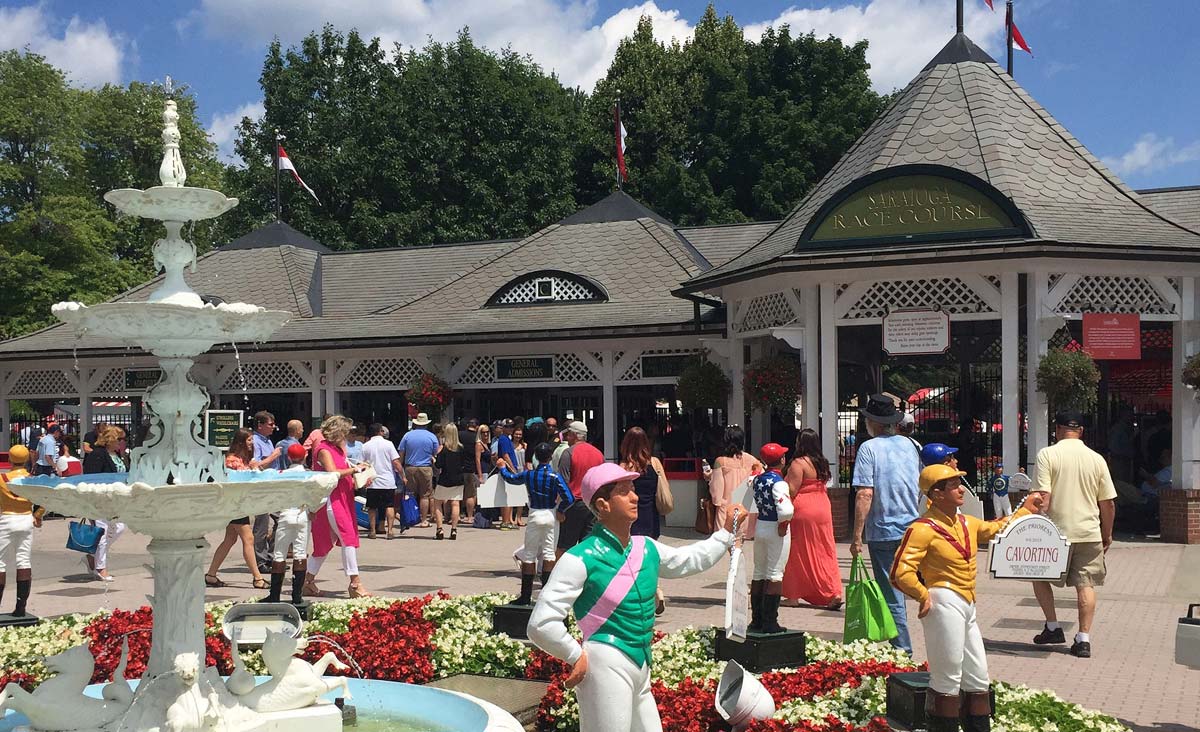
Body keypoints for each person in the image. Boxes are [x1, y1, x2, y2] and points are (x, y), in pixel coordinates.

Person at [528, 463, 743, 732]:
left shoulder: (646, 547)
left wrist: (725, 534)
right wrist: (575, 655)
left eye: (633, 489)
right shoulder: (579, 558)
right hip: (605, 661)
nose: (635, 497)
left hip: (641, 662)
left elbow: (689, 560)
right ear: (603, 505)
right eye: (623, 491)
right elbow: (541, 623)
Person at [891, 464, 1045, 732]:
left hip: (967, 604)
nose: (961, 488)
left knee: (977, 675)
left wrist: (1024, 510)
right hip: (943, 600)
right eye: (953, 485)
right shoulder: (922, 529)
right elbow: (900, 571)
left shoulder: (966, 523)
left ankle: (977, 726)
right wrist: (923, 595)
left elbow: (996, 528)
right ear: (937, 494)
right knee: (946, 675)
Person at [1030, 410, 1117, 659]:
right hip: (1089, 531)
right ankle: (1083, 639)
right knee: (1086, 584)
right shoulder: (1096, 459)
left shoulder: (1048, 455)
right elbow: (1108, 503)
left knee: (1038, 574)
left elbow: (1042, 499)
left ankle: (1053, 626)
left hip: (1055, 532)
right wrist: (1106, 533)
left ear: (1057, 429)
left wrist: (1029, 525)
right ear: (1081, 431)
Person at [850, 393, 922, 653]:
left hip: (883, 530)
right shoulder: (911, 445)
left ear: (873, 422)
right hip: (912, 527)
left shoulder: (869, 448)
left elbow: (865, 493)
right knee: (914, 585)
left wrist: (857, 536)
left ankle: (902, 650)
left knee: (892, 593)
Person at [500, 442, 574, 605]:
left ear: (536, 457)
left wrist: (502, 467)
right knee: (549, 553)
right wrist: (560, 510)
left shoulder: (529, 474)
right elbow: (569, 497)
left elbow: (511, 478)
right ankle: (547, 594)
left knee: (529, 554)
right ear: (550, 457)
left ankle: (525, 596)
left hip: (534, 513)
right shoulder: (555, 476)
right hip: (550, 514)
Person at [307, 415, 372, 598]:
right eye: (346, 431)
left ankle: (308, 581)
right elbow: (332, 473)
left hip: (343, 497)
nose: (348, 435)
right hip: (331, 500)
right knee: (348, 538)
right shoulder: (323, 449)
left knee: (326, 544)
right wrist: (355, 470)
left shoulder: (338, 449)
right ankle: (355, 583)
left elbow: (343, 472)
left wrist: (358, 478)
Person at [782, 428, 843, 611]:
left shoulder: (798, 463)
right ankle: (832, 591)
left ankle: (793, 595)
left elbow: (792, 489)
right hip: (822, 507)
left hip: (803, 509)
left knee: (798, 552)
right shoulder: (822, 463)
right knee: (825, 549)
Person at [205, 428, 267, 591]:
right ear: (240, 442)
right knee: (249, 539)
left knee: (230, 539)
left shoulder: (244, 460)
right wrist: (253, 469)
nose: (251, 443)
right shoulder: (232, 460)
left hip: (239, 504)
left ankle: (211, 575)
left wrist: (254, 468)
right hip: (234, 504)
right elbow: (236, 481)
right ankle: (257, 578)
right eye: (249, 440)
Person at [619, 426, 671, 615]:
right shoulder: (654, 463)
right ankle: (655, 591)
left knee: (631, 561)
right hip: (651, 517)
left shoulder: (624, 468)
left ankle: (645, 597)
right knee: (649, 558)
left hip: (631, 518)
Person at [750, 442, 794, 634]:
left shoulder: (757, 480)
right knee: (775, 574)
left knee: (759, 572)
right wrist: (784, 524)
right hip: (776, 529)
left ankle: (757, 619)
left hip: (761, 526)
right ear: (782, 460)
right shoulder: (779, 482)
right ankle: (770, 622)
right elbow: (786, 510)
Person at [82, 425, 128, 582]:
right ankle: (101, 568)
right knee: (102, 530)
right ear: (111, 440)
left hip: (116, 499)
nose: (123, 442)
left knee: (119, 527)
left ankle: (93, 557)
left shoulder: (116, 454)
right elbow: (90, 477)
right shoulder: (98, 454)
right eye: (120, 439)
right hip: (100, 498)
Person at [0, 445, 42, 616]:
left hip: (6, 518)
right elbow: (43, 498)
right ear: (26, 459)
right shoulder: (32, 479)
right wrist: (37, 515)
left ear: (9, 459)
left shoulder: (2, 478)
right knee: (23, 560)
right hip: (26, 518)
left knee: (0, 562)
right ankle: (21, 607)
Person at [267, 442, 311, 604]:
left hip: (285, 514)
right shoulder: (309, 475)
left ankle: (274, 595)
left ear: (288, 457)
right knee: (300, 553)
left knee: (279, 554)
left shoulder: (281, 474)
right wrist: (312, 509)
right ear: (304, 456)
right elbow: (319, 495)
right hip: (302, 513)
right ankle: (297, 596)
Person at [555, 421, 604, 557]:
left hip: (573, 505)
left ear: (574, 435)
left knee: (564, 546)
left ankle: (557, 574)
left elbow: (562, 483)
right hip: (593, 505)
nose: (566, 438)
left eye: (569, 435)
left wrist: (559, 508)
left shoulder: (568, 453)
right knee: (587, 545)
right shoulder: (598, 454)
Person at [707, 425, 761, 531]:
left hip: (726, 510)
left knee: (725, 544)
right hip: (746, 509)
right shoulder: (752, 460)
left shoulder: (720, 461)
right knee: (740, 543)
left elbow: (716, 494)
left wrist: (709, 477)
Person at [249, 411, 283, 574]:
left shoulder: (268, 440)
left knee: (281, 520)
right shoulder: (255, 441)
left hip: (273, 485)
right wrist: (273, 456)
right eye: (270, 424)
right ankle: (260, 560)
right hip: (261, 487)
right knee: (261, 525)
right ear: (260, 425)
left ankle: (271, 556)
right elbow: (256, 465)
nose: (273, 427)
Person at [398, 413, 440, 529]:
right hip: (426, 468)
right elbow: (436, 454)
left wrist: (399, 468)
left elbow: (401, 453)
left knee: (410, 494)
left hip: (410, 467)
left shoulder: (407, 435)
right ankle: (424, 520)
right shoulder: (432, 437)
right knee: (425, 495)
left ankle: (409, 518)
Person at [361, 423, 402, 539]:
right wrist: (402, 475)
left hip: (372, 481)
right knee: (389, 505)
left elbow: (362, 464)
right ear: (381, 432)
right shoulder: (388, 444)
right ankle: (389, 530)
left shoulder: (366, 446)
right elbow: (396, 462)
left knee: (372, 507)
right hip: (387, 481)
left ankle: (373, 530)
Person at [433, 423, 468, 541]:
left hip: (445, 479)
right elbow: (464, 464)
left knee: (437, 502)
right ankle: (454, 529)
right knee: (455, 503)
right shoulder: (461, 448)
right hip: (458, 478)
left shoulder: (443, 449)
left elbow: (439, 465)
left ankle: (439, 528)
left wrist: (435, 458)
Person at [494, 419, 520, 530]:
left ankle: (508, 520)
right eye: (508, 427)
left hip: (509, 469)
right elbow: (505, 455)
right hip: (507, 470)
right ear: (503, 428)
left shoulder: (507, 439)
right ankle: (505, 521)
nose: (511, 428)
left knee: (510, 496)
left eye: (512, 426)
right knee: (507, 496)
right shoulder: (504, 439)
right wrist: (513, 469)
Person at [469, 423, 494, 526]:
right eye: (483, 432)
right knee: (483, 497)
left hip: (488, 471)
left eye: (487, 432)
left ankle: (486, 520)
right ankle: (480, 520)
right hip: (482, 472)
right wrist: (479, 475)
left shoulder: (486, 444)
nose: (486, 434)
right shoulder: (479, 444)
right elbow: (477, 460)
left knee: (486, 497)